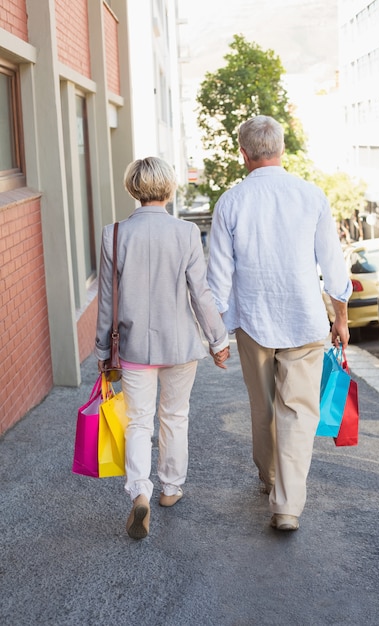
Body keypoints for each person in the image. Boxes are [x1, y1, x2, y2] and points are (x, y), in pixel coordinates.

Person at [207, 115, 352, 532]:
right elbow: (333, 266)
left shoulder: (230, 202)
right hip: (305, 319)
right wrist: (340, 319)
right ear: (281, 150)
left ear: (244, 153)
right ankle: (286, 505)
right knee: (298, 411)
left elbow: (218, 279)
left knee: (264, 407)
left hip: (253, 322)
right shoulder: (311, 195)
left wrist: (216, 336)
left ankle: (269, 478)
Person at [95, 157, 230, 540]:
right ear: (168, 189)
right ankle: (170, 488)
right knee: (175, 415)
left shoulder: (114, 234)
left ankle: (140, 491)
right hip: (181, 345)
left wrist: (103, 350)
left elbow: (107, 298)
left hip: (135, 346)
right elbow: (200, 295)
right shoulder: (186, 232)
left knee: (137, 421)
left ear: (132, 189)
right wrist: (218, 340)